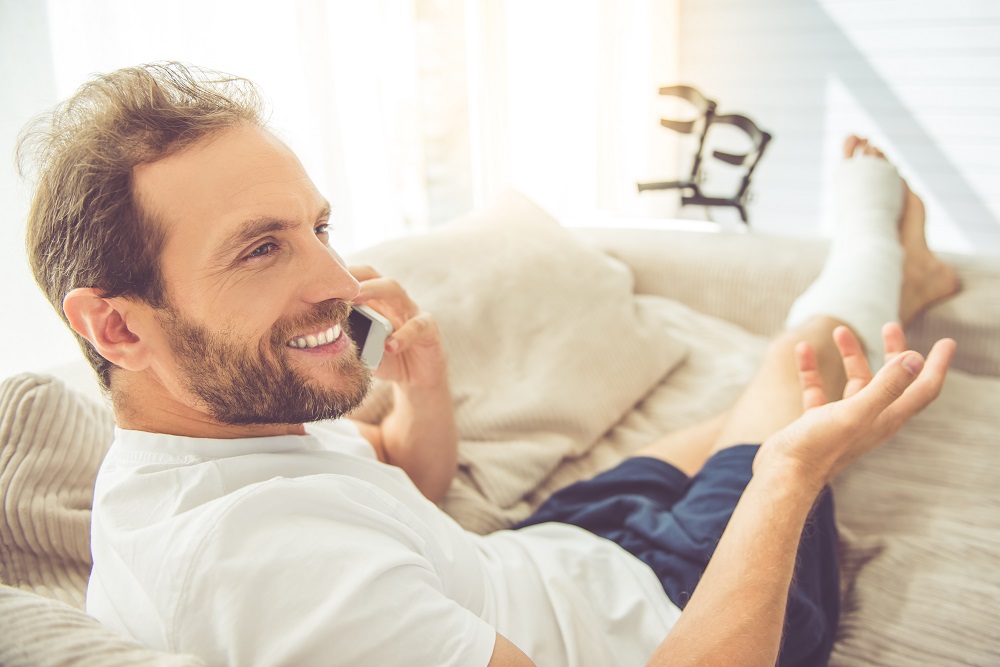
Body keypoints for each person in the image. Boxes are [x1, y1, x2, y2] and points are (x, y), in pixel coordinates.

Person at [18, 63, 959, 667]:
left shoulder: (210, 435)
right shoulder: (266, 574)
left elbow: (399, 496)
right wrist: (789, 476)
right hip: (671, 615)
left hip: (541, 555)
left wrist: (420, 389)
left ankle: (886, 283)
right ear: (117, 326)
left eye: (319, 227)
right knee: (785, 396)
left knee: (723, 425)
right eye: (260, 249)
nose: (340, 281)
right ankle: (883, 250)